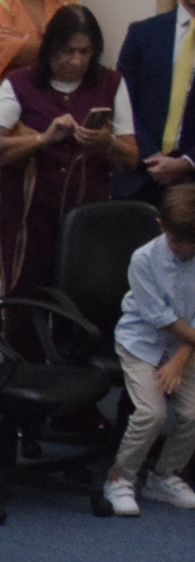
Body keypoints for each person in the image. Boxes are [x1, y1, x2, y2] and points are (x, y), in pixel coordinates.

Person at [0, 3, 136, 343]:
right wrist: (43, 139)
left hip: (86, 219)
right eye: (67, 51)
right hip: (29, 216)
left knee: (83, 301)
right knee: (25, 300)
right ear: (50, 49)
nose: (76, 61)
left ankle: (78, 382)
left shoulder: (110, 83)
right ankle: (21, 378)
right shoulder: (19, 83)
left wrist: (106, 143)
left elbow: (131, 156)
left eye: (85, 52)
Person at [99, 186, 195, 516]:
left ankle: (164, 476)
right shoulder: (143, 259)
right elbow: (160, 318)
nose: (185, 250)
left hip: (186, 346)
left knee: (192, 413)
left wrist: (180, 360)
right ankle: (120, 477)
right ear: (161, 225)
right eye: (177, 241)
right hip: (142, 341)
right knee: (152, 413)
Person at [115, 0, 195, 199]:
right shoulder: (143, 34)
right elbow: (122, 99)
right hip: (140, 175)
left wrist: (186, 162)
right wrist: (151, 156)